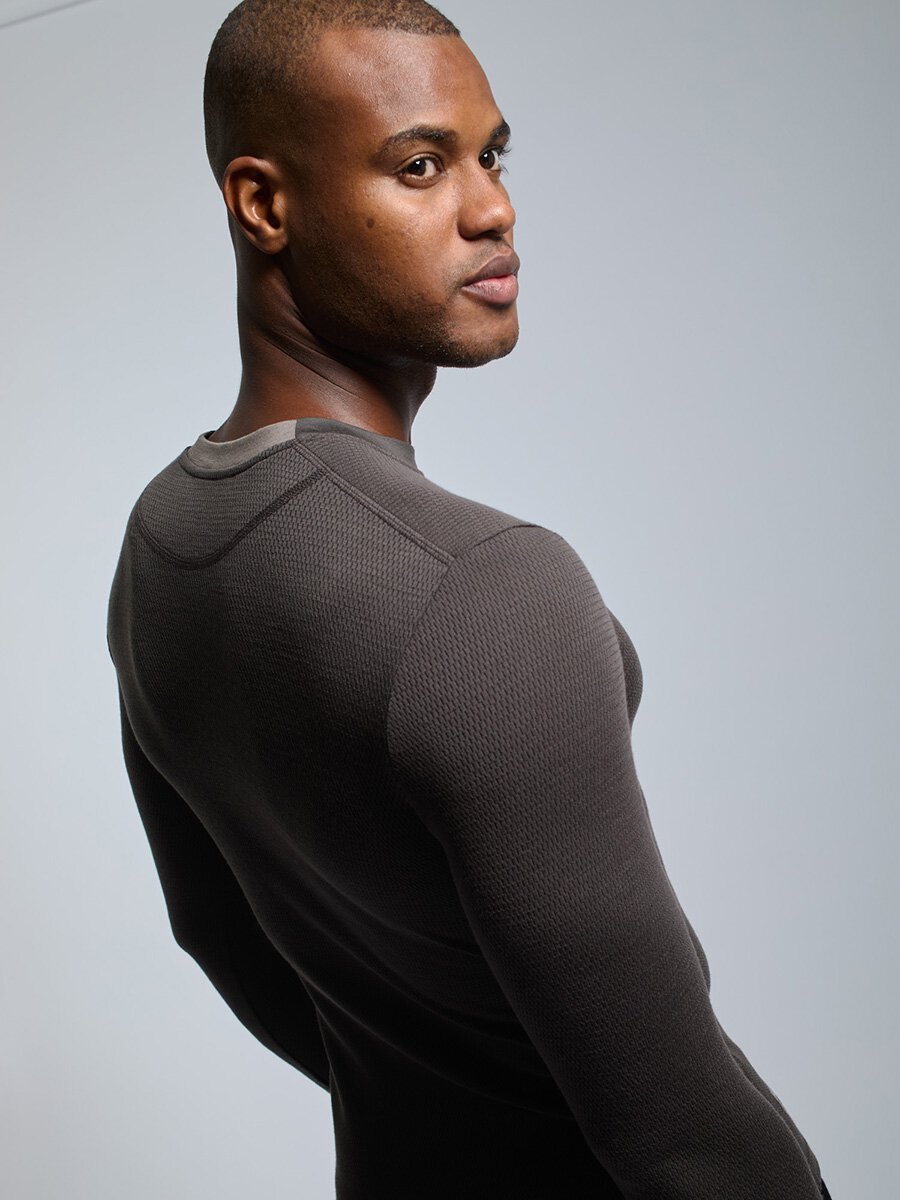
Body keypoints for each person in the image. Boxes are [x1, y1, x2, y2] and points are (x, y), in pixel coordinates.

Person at [106, 1, 833, 1197]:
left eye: (492, 155)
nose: (493, 208)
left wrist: (435, 1103)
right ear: (265, 205)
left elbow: (220, 940)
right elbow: (684, 1134)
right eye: (420, 165)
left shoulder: (164, 538)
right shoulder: (487, 588)